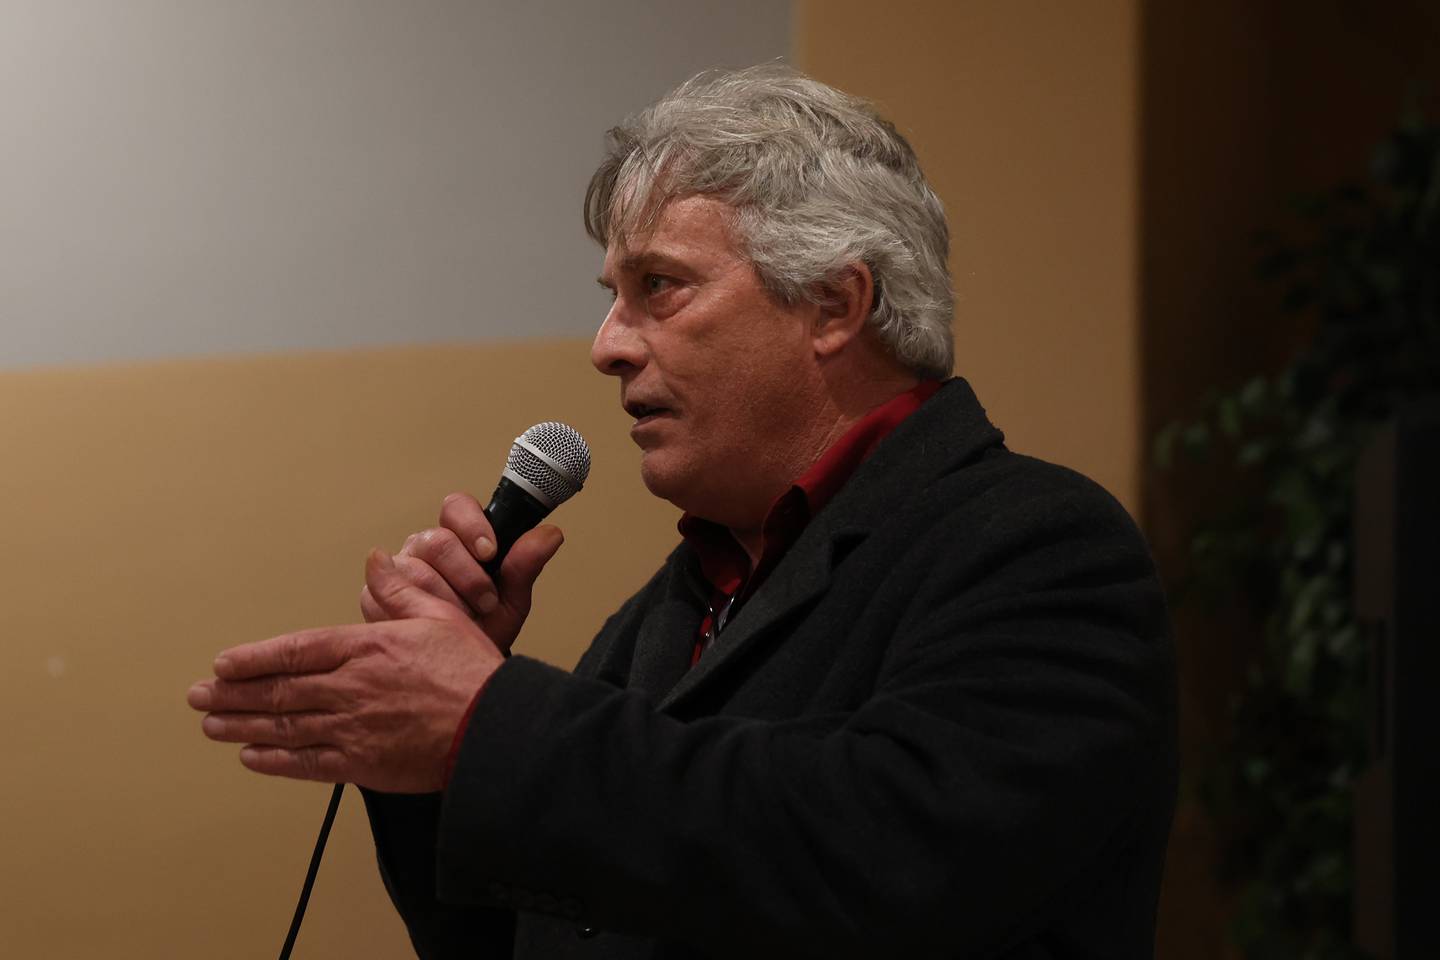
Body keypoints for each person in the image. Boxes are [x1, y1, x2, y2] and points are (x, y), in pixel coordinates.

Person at [188, 65, 1176, 959]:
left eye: (657, 287)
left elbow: (887, 859)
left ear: (834, 303)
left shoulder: (1039, 546)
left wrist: (486, 723)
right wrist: (432, 766)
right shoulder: (679, 602)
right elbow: (527, 943)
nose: (607, 344)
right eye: (614, 295)